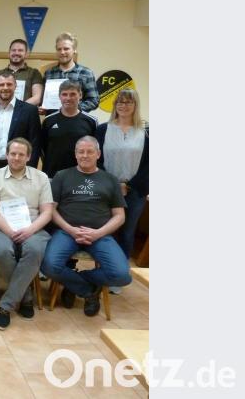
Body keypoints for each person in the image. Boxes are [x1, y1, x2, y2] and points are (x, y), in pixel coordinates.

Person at [41, 136, 132, 317]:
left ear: (98, 154)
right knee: (48, 266)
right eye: (81, 152)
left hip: (100, 234)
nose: (85, 155)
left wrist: (98, 233)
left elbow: (120, 216)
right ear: (75, 155)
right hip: (66, 232)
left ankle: (72, 284)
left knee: (123, 276)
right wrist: (70, 229)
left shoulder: (110, 179)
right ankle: (88, 290)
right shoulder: (62, 176)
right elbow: (51, 210)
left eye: (90, 151)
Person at [0, 138, 53, 330]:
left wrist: (29, 230)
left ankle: (6, 306)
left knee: (35, 250)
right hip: (1, 226)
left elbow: (47, 212)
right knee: (1, 251)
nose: (16, 157)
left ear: (29, 157)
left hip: (33, 227)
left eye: (21, 154)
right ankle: (26, 296)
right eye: (13, 154)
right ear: (6, 155)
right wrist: (9, 231)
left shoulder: (41, 177)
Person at [95, 89, 148, 261]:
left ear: (135, 105)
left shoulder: (147, 132)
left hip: (135, 191)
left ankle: (119, 273)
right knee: (105, 231)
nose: (124, 106)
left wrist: (128, 186)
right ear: (115, 105)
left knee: (127, 233)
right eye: (120, 102)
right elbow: (96, 159)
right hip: (107, 189)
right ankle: (102, 268)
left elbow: (150, 165)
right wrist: (114, 184)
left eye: (128, 102)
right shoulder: (103, 129)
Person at [0, 72, 42, 169]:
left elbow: (35, 143)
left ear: (15, 86)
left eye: (9, 84)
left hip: (20, 167)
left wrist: (30, 169)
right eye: (1, 84)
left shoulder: (29, 111)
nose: (5, 88)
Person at [40, 80, 97, 178]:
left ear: (80, 95)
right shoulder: (48, 121)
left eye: (73, 94)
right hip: (52, 176)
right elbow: (43, 149)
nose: (68, 98)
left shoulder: (91, 121)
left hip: (81, 176)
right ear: (59, 96)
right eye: (64, 94)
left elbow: (95, 151)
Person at [43, 32, 99, 113]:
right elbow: (44, 99)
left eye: (66, 49)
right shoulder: (48, 73)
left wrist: (73, 108)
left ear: (74, 50)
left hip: (77, 122)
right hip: (52, 121)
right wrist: (42, 107)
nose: (62, 52)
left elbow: (94, 101)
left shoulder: (86, 73)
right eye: (59, 49)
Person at [0, 39, 44, 107]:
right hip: (1, 114)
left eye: (20, 50)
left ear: (26, 54)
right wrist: (2, 109)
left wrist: (17, 109)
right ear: (9, 53)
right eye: (13, 50)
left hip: (25, 114)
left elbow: (37, 98)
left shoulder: (34, 73)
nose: (16, 53)